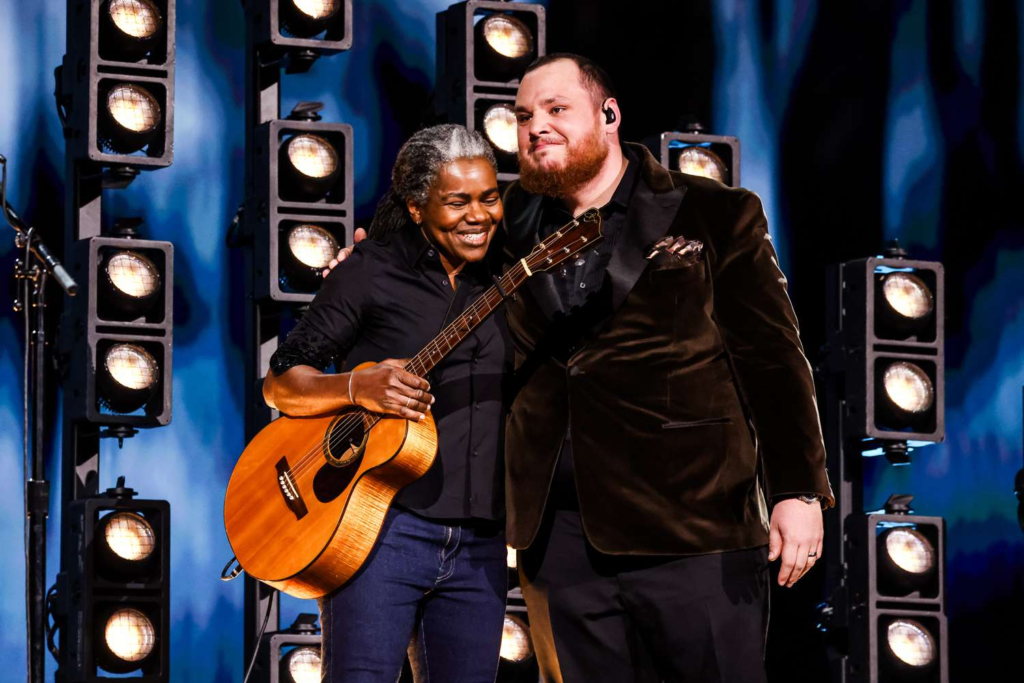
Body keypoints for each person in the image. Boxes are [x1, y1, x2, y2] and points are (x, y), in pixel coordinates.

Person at [499, 53, 835, 682]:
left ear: (609, 115)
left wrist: (798, 489)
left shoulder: (716, 211)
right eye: (522, 116)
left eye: (555, 109)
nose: (535, 126)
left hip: (694, 527)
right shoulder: (506, 221)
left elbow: (772, 357)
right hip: (559, 539)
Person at [263, 124, 512, 683]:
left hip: (482, 543)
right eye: (458, 202)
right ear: (417, 207)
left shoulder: (509, 274)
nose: (478, 215)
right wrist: (356, 386)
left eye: (489, 197)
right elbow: (281, 382)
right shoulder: (371, 270)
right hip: (381, 529)